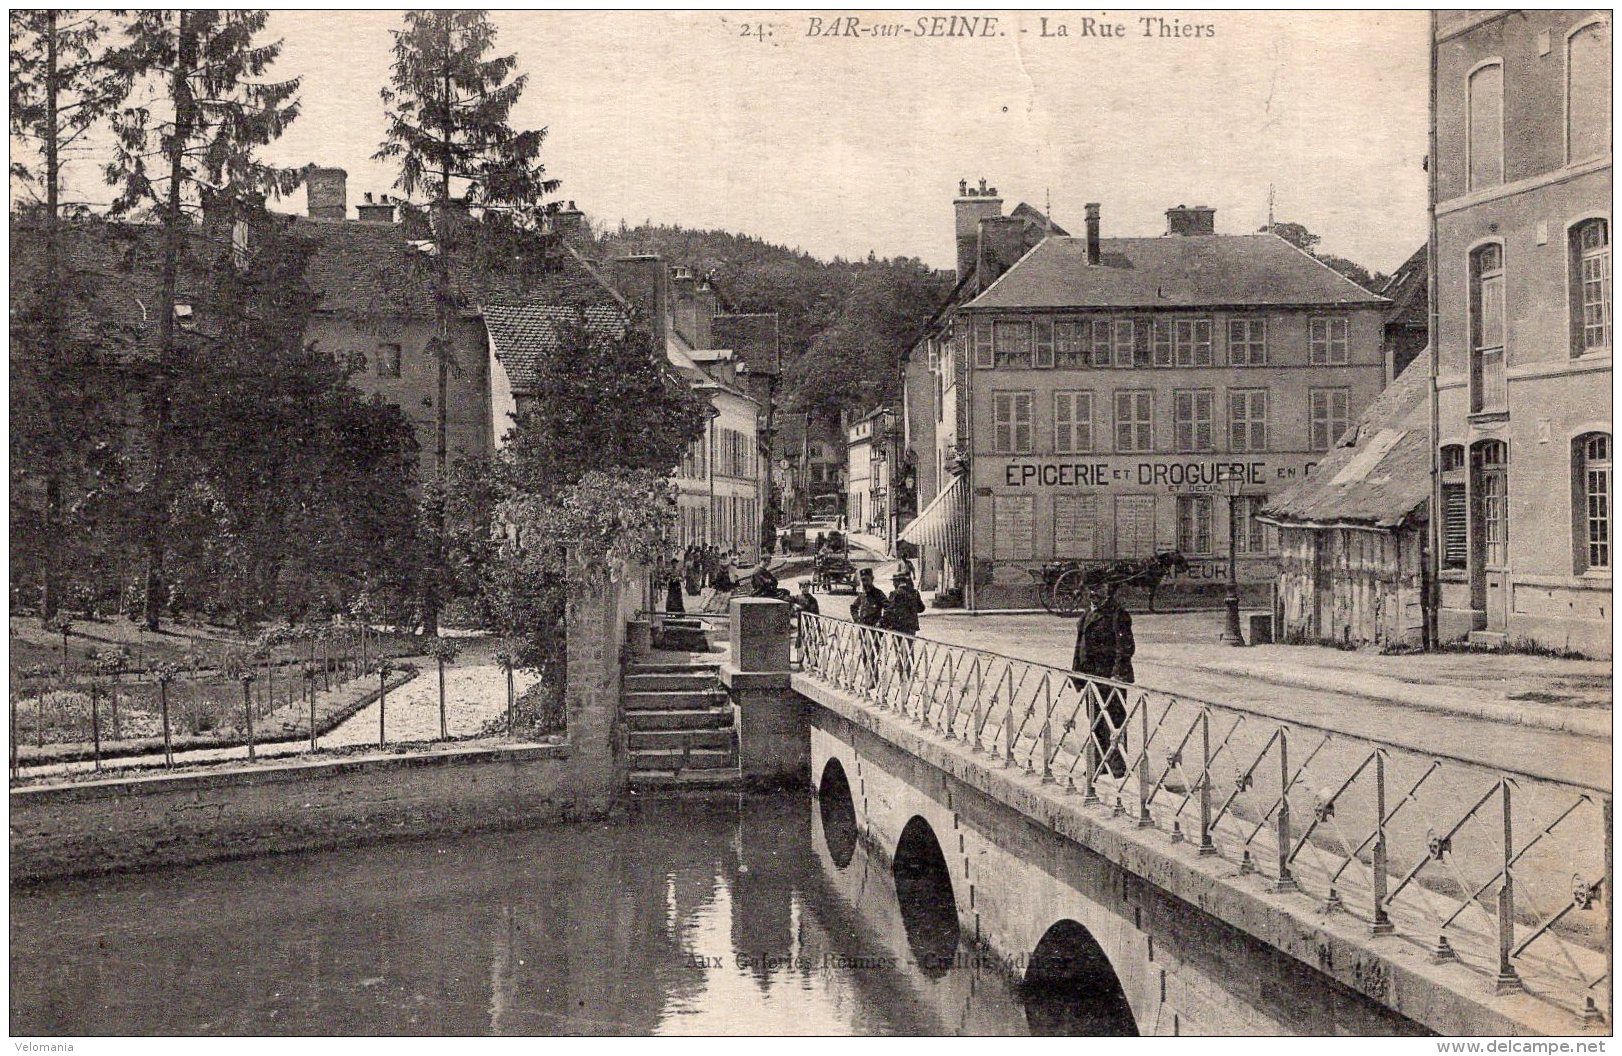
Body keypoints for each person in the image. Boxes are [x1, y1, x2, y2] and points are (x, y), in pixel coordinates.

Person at [1071, 580, 1135, 779]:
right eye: (1090, 590)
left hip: (1109, 676)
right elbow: (1079, 646)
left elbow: (1125, 648)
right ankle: (1099, 763)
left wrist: (1117, 674)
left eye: (1097, 589)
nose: (1093, 594)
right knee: (1095, 720)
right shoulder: (1087, 615)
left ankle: (1117, 766)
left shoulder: (1117, 614)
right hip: (1091, 676)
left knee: (1115, 721)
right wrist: (1076, 674)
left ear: (1107, 591)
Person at [881, 572, 924, 681]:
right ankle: (908, 675)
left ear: (898, 582)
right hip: (911, 627)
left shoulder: (894, 593)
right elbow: (921, 608)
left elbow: (888, 610)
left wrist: (884, 624)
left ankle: (902, 678)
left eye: (894, 582)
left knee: (899, 651)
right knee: (909, 650)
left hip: (898, 627)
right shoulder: (914, 593)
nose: (893, 584)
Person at [853, 568, 888, 689]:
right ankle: (869, 678)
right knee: (864, 655)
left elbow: (888, 608)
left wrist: (881, 622)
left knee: (873, 655)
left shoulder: (878, 594)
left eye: (867, 580)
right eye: (863, 580)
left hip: (874, 631)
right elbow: (853, 607)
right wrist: (857, 619)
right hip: (863, 630)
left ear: (872, 580)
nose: (865, 583)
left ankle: (873, 680)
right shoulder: (862, 595)